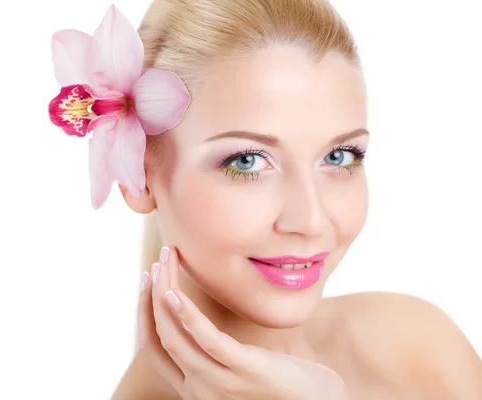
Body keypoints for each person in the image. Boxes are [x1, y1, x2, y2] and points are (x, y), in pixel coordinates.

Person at [48, 1, 482, 399]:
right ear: (138, 175)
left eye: (339, 156)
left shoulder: (422, 343)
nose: (310, 220)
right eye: (248, 161)